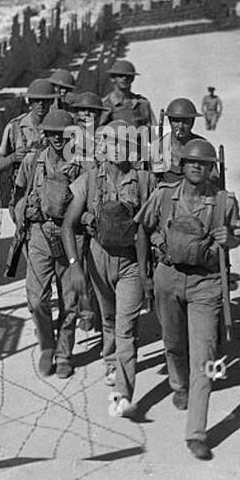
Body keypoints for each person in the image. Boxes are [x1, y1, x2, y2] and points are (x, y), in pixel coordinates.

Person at [135, 138, 240, 460]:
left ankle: (196, 431)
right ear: (182, 165)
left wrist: (233, 239)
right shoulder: (164, 196)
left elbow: (239, 233)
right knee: (172, 342)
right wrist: (144, 275)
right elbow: (142, 228)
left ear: (212, 168)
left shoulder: (224, 201)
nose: (198, 167)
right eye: (192, 162)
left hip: (206, 284)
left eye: (204, 163)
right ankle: (178, 383)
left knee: (205, 355)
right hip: (167, 278)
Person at [62, 116, 156, 417]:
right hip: (97, 257)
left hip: (131, 261)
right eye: (111, 144)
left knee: (126, 327)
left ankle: (123, 394)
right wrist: (75, 265)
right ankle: (111, 362)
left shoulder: (144, 181)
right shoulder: (90, 179)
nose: (117, 150)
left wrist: (148, 269)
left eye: (123, 145)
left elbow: (154, 224)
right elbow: (68, 224)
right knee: (109, 318)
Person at [15, 109, 84, 378]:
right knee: (36, 297)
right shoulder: (34, 161)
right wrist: (23, 213)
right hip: (40, 233)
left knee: (70, 299)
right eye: (53, 133)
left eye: (63, 134)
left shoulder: (83, 165)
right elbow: (17, 195)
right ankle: (47, 345)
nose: (58, 139)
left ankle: (64, 352)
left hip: (71, 236)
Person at [65, 91, 108, 332]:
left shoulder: (106, 141)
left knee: (99, 267)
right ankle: (83, 307)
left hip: (97, 211)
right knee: (76, 264)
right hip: (72, 210)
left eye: (91, 111)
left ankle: (98, 315)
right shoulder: (66, 141)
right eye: (81, 111)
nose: (86, 115)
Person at [0, 78, 55, 175]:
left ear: (51, 101)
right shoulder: (14, 127)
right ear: (30, 101)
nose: (41, 104)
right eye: (37, 100)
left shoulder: (59, 125)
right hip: (23, 184)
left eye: (45, 100)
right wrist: (13, 157)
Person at [155, 97, 212, 187]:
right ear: (170, 121)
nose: (180, 126)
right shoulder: (159, 147)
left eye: (185, 122)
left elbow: (213, 180)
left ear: (192, 122)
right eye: (176, 121)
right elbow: (150, 183)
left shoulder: (202, 147)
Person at [98, 59, 153, 134]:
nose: (124, 78)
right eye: (120, 76)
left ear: (132, 79)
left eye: (128, 76)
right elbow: (96, 132)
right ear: (113, 78)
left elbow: (152, 131)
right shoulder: (105, 104)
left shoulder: (142, 104)